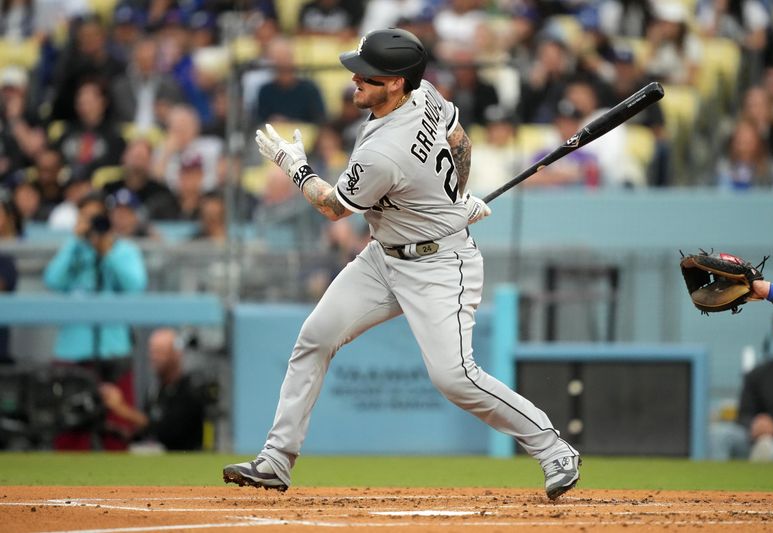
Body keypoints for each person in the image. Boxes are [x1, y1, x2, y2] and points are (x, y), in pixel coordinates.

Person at [222, 28, 581, 501]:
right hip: (383, 258)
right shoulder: (424, 91)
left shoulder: (382, 151)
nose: (355, 81)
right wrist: (454, 196)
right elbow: (462, 144)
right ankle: (276, 459)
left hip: (439, 265)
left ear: (396, 83)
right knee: (315, 338)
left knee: (453, 377)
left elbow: (332, 207)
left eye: (366, 76)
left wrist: (295, 168)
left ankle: (553, 448)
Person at [43, 191, 148, 449]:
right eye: (85, 216)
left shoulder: (124, 250)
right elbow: (52, 280)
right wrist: (75, 243)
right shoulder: (74, 250)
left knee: (117, 431)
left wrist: (107, 251)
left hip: (114, 350)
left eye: (96, 217)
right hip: (73, 350)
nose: (91, 222)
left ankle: (120, 489)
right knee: (69, 433)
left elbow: (136, 285)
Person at [709, 310, 773, 462]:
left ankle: (771, 457)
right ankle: (716, 484)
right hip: (759, 441)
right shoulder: (759, 373)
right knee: (720, 435)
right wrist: (755, 424)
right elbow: (743, 414)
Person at [99, 328, 207, 451]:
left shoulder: (189, 389)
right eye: (152, 352)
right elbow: (148, 430)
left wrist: (121, 408)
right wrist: (119, 432)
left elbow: (168, 431)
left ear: (176, 354)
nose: (154, 357)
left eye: (161, 352)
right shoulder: (156, 390)